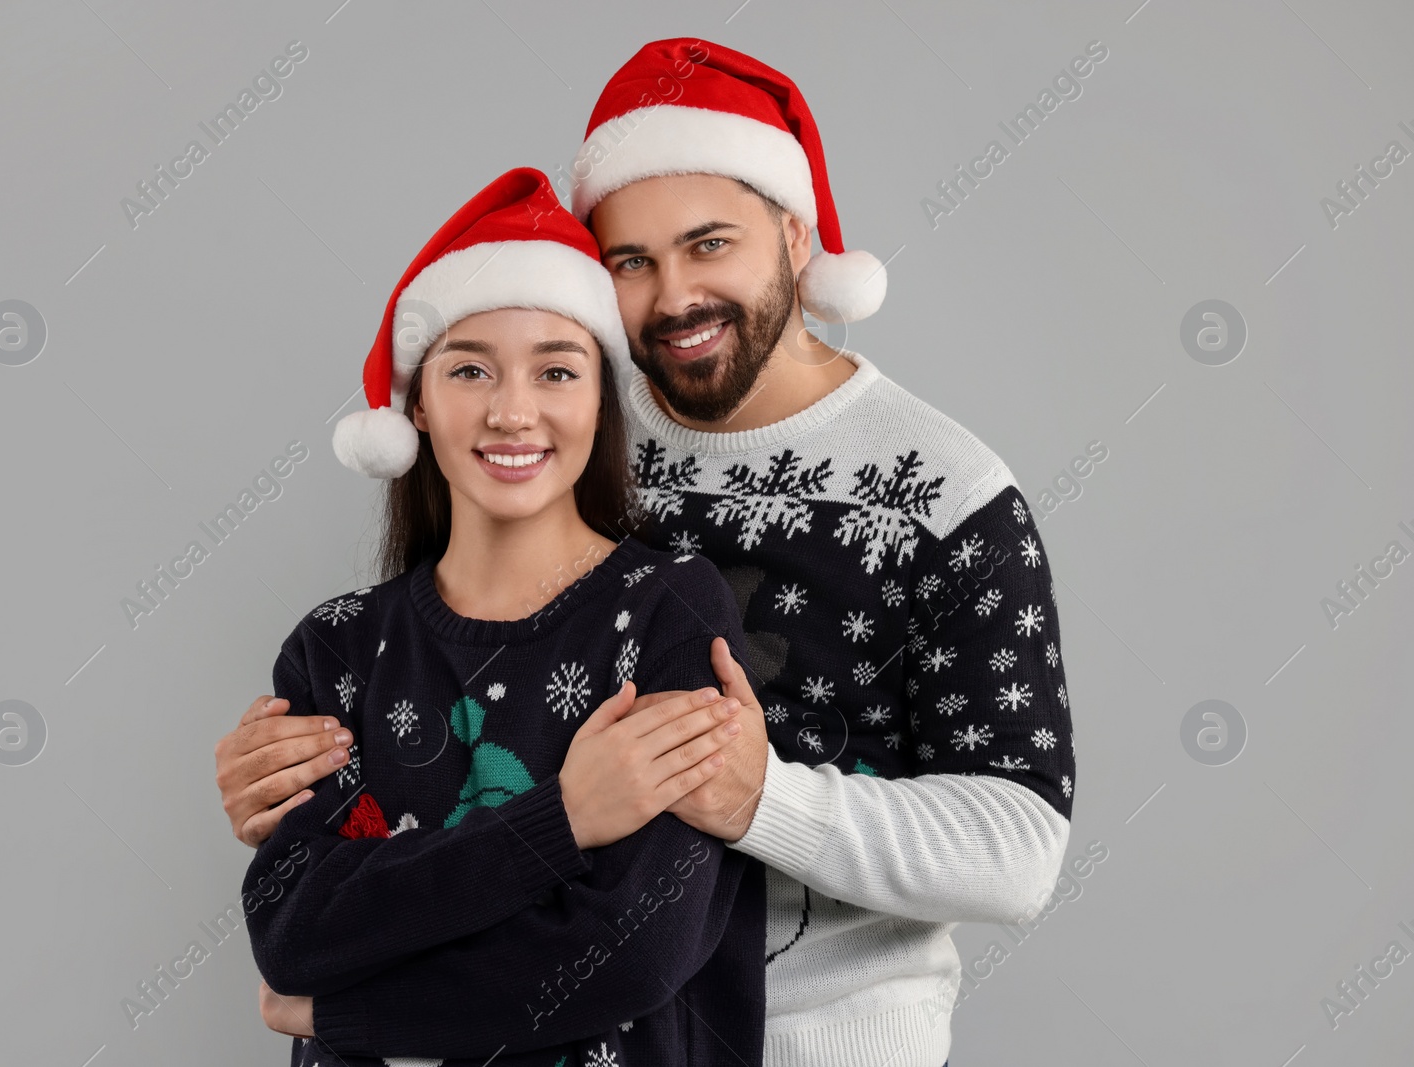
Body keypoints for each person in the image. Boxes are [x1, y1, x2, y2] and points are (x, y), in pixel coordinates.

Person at [223, 39, 1077, 1067]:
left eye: (710, 244)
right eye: (630, 261)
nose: (673, 298)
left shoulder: (946, 494)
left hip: (822, 1039)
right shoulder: (558, 427)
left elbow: (1017, 846)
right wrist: (303, 773)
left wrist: (762, 797)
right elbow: (438, 691)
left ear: (796, 236)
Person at [240, 166, 767, 1067]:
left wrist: (345, 1013)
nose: (512, 411)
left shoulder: (667, 610)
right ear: (417, 403)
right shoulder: (337, 647)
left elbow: (635, 947)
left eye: (556, 370)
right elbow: (296, 931)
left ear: (600, 397)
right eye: (470, 369)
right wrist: (561, 821)